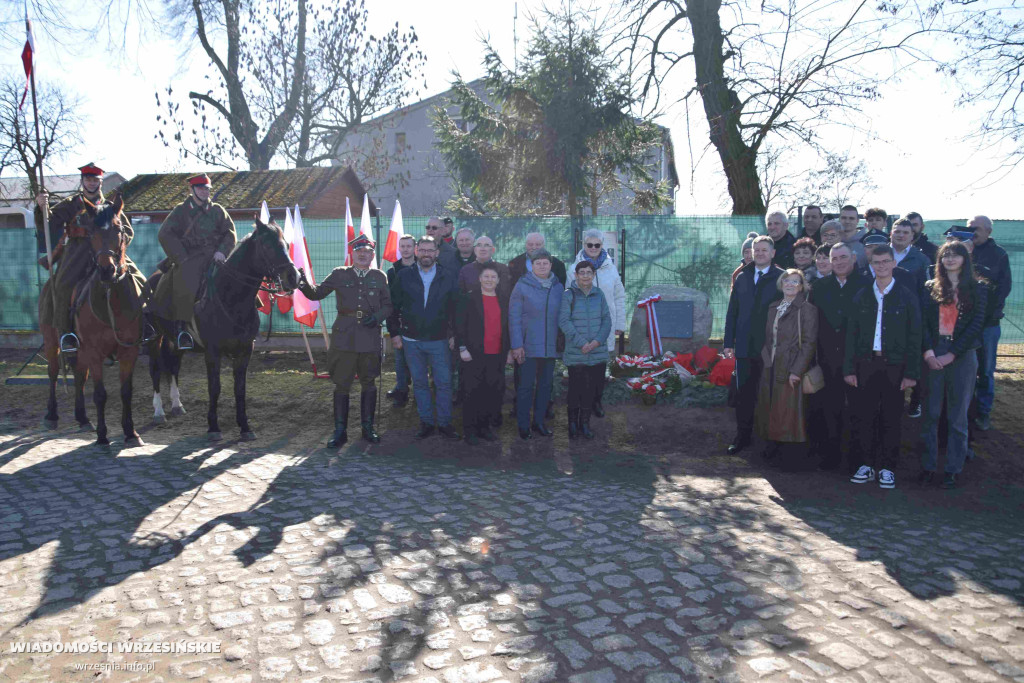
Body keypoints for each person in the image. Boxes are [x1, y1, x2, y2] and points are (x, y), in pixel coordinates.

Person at [36, 163, 141, 354]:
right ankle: (66, 333)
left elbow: (128, 232)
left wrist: (116, 247)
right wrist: (42, 208)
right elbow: (48, 224)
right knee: (63, 285)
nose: (91, 183)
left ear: (100, 182)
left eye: (95, 180)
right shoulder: (70, 205)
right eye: (88, 179)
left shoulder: (110, 206)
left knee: (138, 279)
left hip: (107, 255)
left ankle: (144, 324)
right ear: (82, 181)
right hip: (77, 254)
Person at [298, 234, 392, 447]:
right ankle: (340, 431)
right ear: (352, 253)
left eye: (367, 252)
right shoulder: (340, 274)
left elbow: (389, 306)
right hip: (344, 337)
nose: (362, 255)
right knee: (342, 384)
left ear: (372, 255)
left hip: (369, 337)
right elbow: (316, 294)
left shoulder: (380, 277)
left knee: (369, 382)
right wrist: (302, 282)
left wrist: (377, 318)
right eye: (359, 251)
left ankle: (368, 428)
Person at [844, 245, 922, 490]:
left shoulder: (907, 296)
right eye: (876, 262)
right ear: (871, 265)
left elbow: (915, 337)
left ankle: (887, 468)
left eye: (885, 262)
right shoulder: (862, 295)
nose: (881, 266)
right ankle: (866, 465)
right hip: (866, 364)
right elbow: (851, 335)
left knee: (891, 418)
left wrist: (912, 373)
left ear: (893, 264)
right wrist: (849, 369)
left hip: (895, 367)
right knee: (864, 416)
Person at [920, 241, 988, 489]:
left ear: (965, 259)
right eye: (945, 255)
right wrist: (928, 353)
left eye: (955, 255)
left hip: (962, 356)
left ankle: (952, 469)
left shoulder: (978, 288)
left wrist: (952, 354)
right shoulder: (930, 287)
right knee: (931, 414)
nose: (949, 259)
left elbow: (977, 325)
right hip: (933, 353)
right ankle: (928, 467)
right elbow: (923, 324)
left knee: (958, 417)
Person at [152, 173, 237, 350]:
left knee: (236, 277)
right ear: (191, 190)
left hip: (215, 256)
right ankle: (182, 329)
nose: (205, 192)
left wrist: (222, 251)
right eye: (200, 188)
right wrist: (181, 257)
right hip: (189, 257)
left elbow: (230, 233)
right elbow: (165, 234)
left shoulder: (217, 210)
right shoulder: (180, 211)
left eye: (207, 189)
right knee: (186, 282)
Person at [387, 236, 460, 440]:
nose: (426, 254)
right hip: (411, 340)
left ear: (437, 253)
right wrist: (394, 334)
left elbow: (457, 308)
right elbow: (393, 307)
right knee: (419, 383)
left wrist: (454, 334)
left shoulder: (449, 276)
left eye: (431, 250)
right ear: (417, 251)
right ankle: (426, 422)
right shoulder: (404, 276)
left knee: (443, 383)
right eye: (423, 250)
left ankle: (445, 423)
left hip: (440, 340)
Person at [808, 242, 869, 471]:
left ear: (853, 258)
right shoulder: (819, 286)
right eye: (835, 258)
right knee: (829, 408)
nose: (839, 262)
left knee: (857, 409)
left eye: (843, 257)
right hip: (827, 359)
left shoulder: (867, 285)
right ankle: (830, 456)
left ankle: (856, 458)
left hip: (858, 360)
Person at [723, 236, 784, 454]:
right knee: (744, 395)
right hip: (744, 348)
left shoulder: (781, 278)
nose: (759, 253)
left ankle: (769, 442)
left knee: (768, 394)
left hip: (770, 348)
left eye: (764, 250)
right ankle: (743, 437)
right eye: (756, 250)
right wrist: (728, 342)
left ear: (773, 253)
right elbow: (733, 312)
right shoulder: (742, 277)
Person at [755, 269, 818, 466]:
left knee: (790, 413)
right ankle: (771, 450)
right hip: (771, 367)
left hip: (790, 367)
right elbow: (767, 339)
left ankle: (790, 458)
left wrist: (796, 371)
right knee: (771, 408)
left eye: (795, 281)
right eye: (787, 281)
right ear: (781, 284)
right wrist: (766, 364)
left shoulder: (807, 310)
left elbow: (809, 344)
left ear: (802, 287)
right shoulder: (774, 307)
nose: (790, 284)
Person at [568, 229, 626, 417]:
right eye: (589, 245)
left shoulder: (611, 268)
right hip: (581, 326)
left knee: (600, 366)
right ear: (583, 245)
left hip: (604, 326)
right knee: (582, 367)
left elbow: (619, 297)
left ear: (602, 245)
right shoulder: (572, 269)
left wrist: (619, 324)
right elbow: (568, 299)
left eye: (597, 245)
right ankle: (581, 403)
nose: (593, 248)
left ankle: (596, 402)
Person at [508, 233, 567, 420]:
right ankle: (524, 423)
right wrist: (517, 345)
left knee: (545, 386)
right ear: (531, 266)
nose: (542, 266)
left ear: (551, 265)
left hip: (549, 347)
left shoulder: (558, 288)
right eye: (538, 263)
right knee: (525, 386)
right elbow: (514, 317)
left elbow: (562, 317)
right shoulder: (521, 285)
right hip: (528, 346)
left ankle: (540, 422)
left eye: (545, 263)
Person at [456, 263, 512, 445]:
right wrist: (462, 348)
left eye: (493, 277)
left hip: (496, 354)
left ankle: (485, 428)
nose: (489, 280)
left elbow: (508, 327)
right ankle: (470, 431)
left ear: (498, 280)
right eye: (486, 277)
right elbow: (460, 326)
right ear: (479, 279)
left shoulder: (504, 299)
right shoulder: (469, 298)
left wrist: (509, 350)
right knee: (472, 392)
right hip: (473, 354)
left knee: (491, 392)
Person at [969, 215, 1012, 431]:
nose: (972, 232)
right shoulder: (962, 250)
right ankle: (966, 409)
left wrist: (988, 315)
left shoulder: (999, 255)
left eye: (975, 228)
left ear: (988, 231)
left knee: (985, 370)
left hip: (988, 324)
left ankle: (983, 412)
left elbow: (1004, 288)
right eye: (969, 228)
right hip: (964, 324)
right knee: (966, 368)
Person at [560, 261, 611, 440]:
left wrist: (596, 342)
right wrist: (582, 343)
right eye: (582, 273)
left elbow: (607, 321)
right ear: (576, 275)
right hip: (577, 351)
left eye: (589, 272)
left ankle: (585, 424)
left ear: (594, 275)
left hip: (597, 352)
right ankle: (572, 424)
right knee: (575, 389)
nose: (586, 276)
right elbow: (564, 322)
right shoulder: (568, 295)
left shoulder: (599, 295)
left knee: (591, 390)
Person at [385, 234, 417, 407]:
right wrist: (394, 330)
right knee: (400, 359)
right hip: (401, 322)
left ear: (415, 248)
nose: (405, 249)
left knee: (420, 361)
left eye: (408, 246)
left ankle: (421, 393)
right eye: (402, 246)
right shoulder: (392, 271)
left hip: (421, 323)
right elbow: (390, 303)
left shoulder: (424, 267)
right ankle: (402, 390)